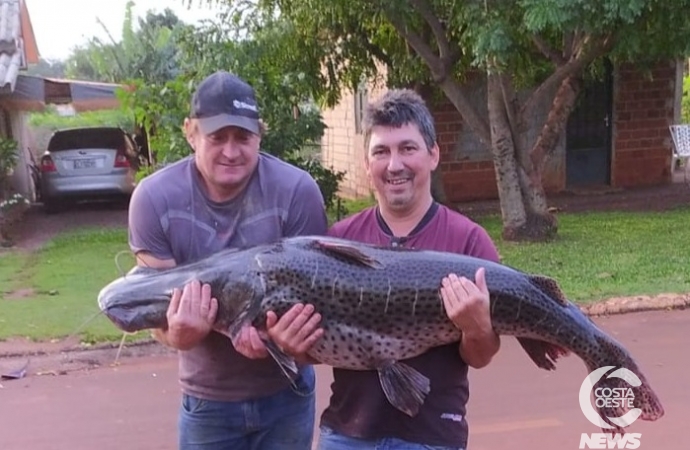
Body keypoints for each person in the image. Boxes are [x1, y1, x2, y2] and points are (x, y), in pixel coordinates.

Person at [266, 89, 501, 450]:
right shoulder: (336, 243)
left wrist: (476, 326)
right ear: (366, 163)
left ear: (433, 154)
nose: (394, 165)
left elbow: (481, 356)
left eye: (407, 148)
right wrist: (290, 346)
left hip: (433, 439)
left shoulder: (470, 244)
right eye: (381, 151)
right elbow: (316, 345)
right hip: (347, 434)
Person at [127, 70, 329, 450]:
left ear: (260, 133)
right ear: (191, 132)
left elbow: (315, 297)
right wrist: (178, 336)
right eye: (217, 137)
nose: (231, 152)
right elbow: (153, 307)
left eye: (243, 137)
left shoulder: (297, 191)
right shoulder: (153, 200)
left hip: (288, 393)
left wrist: (278, 340)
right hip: (208, 400)